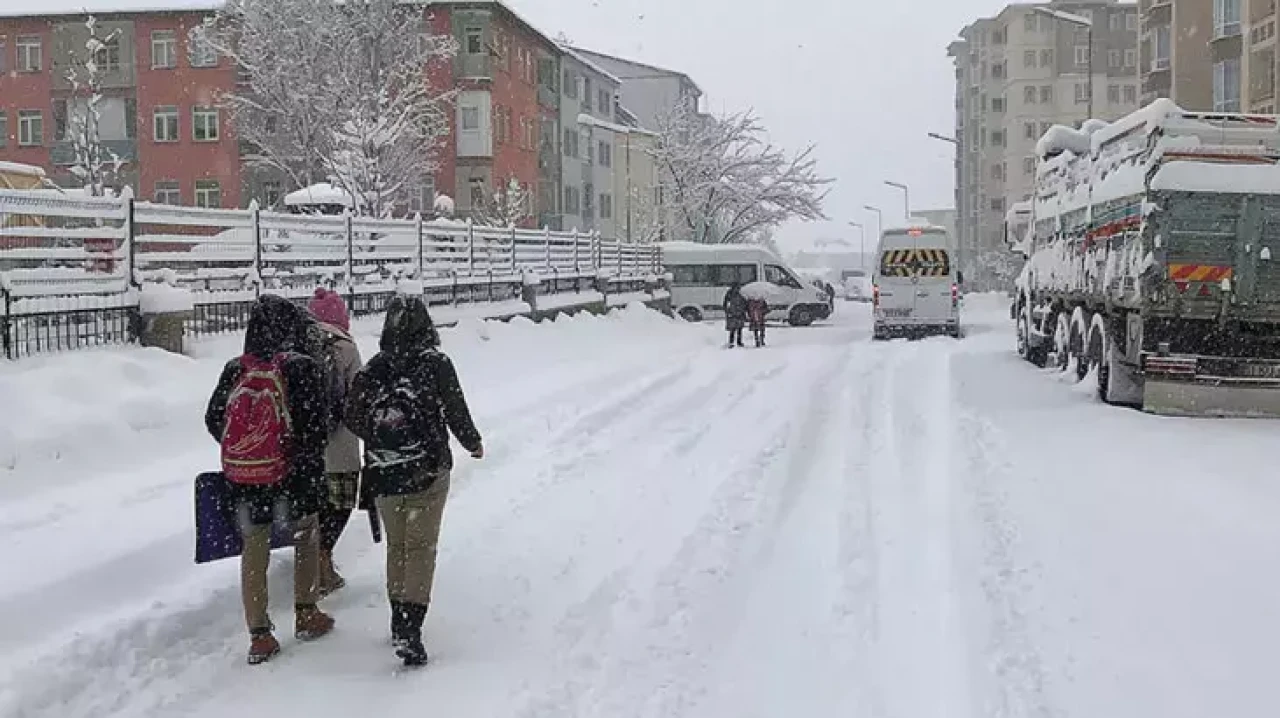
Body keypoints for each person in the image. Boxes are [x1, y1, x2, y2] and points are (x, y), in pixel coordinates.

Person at [344, 294, 484, 668]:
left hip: (384, 471)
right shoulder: (436, 364)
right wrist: (472, 442)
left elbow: (351, 415)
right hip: (427, 469)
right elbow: (455, 409)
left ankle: (397, 618)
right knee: (421, 548)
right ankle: (411, 627)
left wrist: (380, 435)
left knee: (398, 546)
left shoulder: (375, 367)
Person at [205, 295, 335, 666]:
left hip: (245, 480)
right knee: (307, 536)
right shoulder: (300, 367)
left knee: (254, 549)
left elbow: (214, 418)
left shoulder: (236, 369)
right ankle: (307, 612)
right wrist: (292, 458)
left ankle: (259, 635)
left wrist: (247, 449)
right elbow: (315, 429)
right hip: (291, 477)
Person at [307, 288, 364, 596]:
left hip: (306, 445)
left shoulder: (296, 344)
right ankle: (323, 558)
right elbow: (360, 394)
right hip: (340, 444)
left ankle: (311, 558)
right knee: (339, 504)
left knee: (312, 505)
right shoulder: (346, 347)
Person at [723, 283, 748, 348]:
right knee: (734, 329)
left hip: (736, 313)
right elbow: (726, 304)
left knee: (737, 329)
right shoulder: (731, 294)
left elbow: (744, 303)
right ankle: (734, 342)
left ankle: (735, 342)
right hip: (735, 313)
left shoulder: (732, 294)